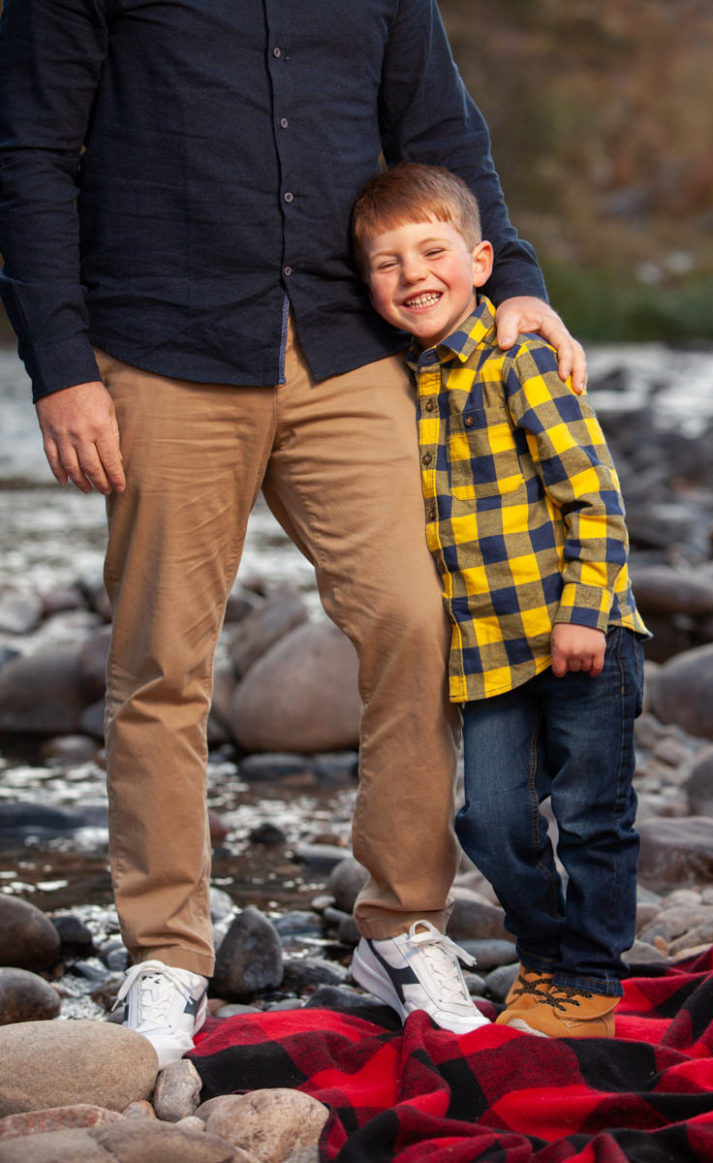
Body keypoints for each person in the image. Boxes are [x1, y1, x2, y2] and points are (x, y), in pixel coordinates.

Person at [0, 1, 586, 1063]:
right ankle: (168, 952)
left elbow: (442, 135)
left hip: (346, 345)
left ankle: (402, 927)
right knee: (162, 658)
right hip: (159, 340)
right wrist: (63, 365)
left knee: (418, 617)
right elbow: (30, 152)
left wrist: (523, 285)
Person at [352, 162, 649, 1038]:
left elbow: (595, 494)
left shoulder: (519, 356)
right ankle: (544, 954)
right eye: (387, 263)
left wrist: (582, 610)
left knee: (593, 810)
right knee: (488, 816)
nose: (413, 275)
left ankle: (588, 972)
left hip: (576, 634)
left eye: (432, 251)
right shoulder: (406, 381)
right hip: (485, 651)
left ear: (482, 261)